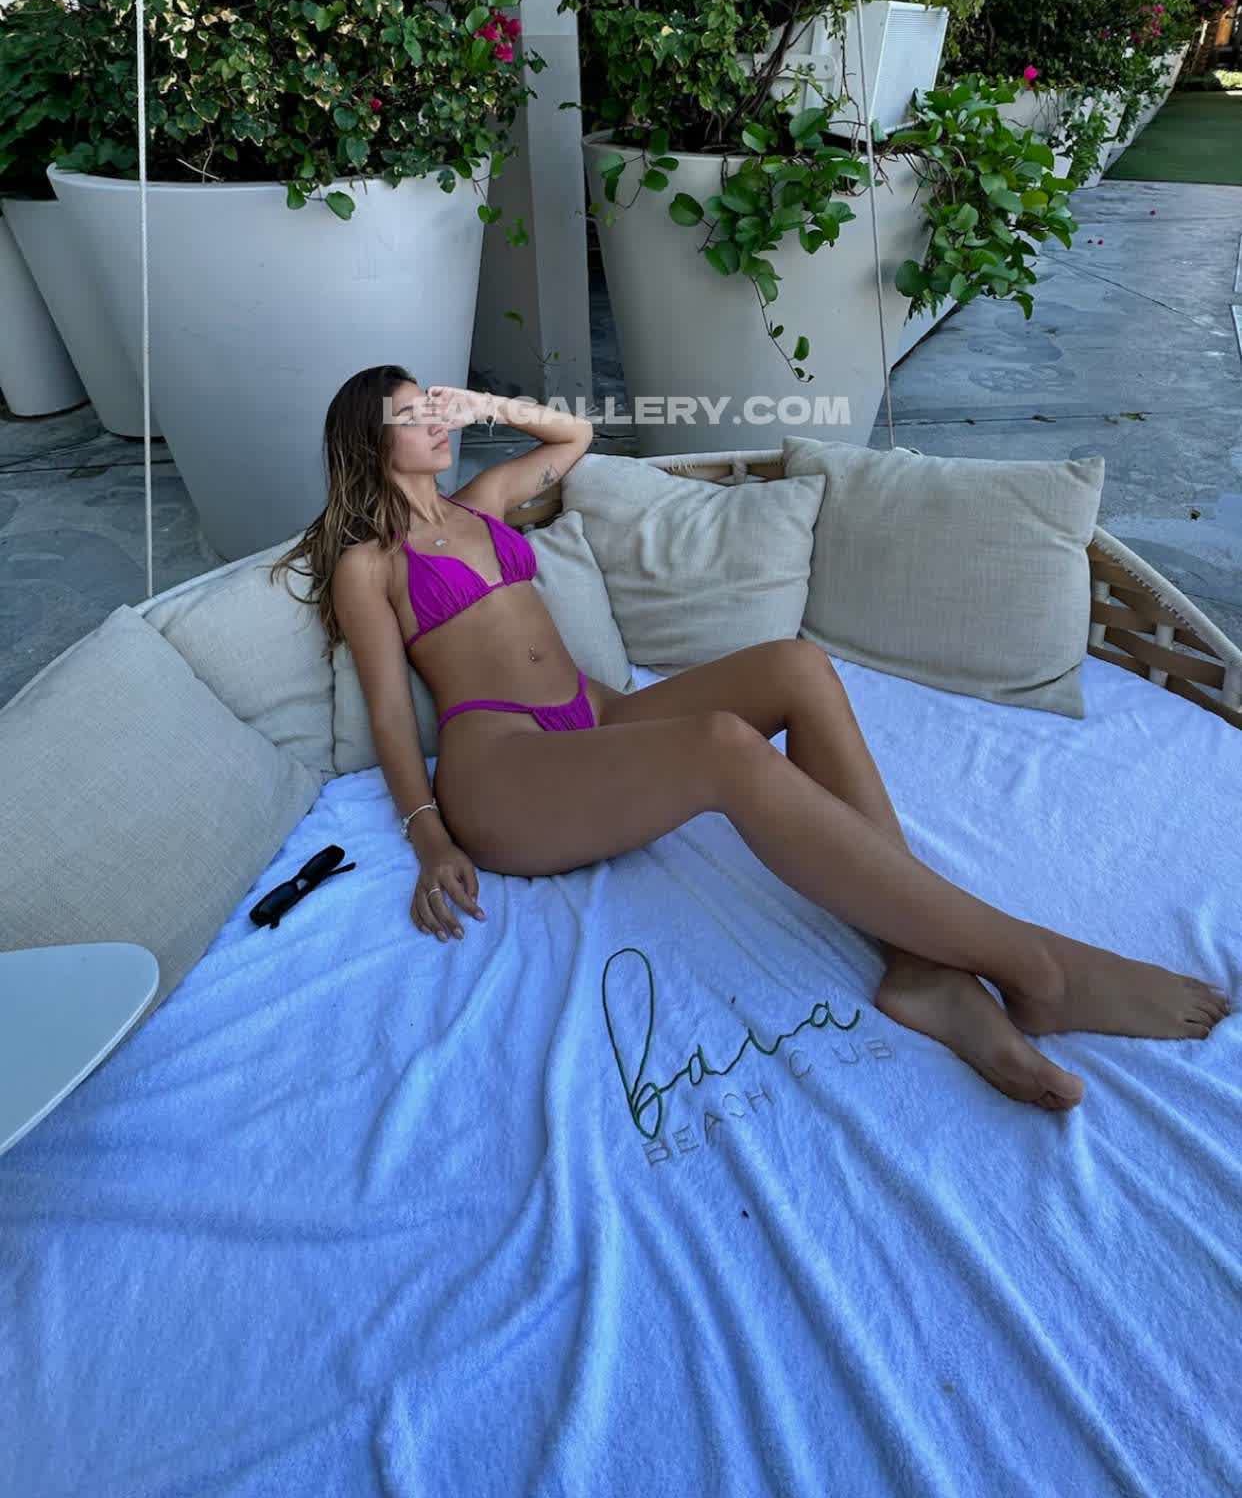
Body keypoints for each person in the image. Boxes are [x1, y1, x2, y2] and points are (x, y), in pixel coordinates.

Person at [272, 365, 1230, 1116]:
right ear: (368, 439)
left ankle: (925, 966)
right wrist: (430, 837)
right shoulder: (369, 564)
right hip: (504, 772)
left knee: (796, 667)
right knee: (724, 746)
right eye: (413, 413)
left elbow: (574, 437)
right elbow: (391, 710)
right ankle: (1039, 969)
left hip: (592, 719)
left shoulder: (483, 503)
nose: (435, 420)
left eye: (435, 404)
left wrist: (488, 403)